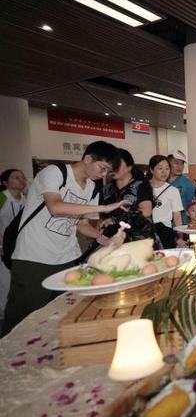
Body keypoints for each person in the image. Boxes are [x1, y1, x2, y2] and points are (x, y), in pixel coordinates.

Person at [2, 141, 127, 335]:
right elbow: (56, 207)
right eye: (102, 168)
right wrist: (103, 208)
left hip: (67, 257)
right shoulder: (55, 173)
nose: (103, 175)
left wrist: (103, 238)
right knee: (21, 318)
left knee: (60, 314)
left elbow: (82, 225)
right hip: (34, 257)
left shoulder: (92, 189)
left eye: (107, 172)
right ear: (87, 158)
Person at [98, 149, 154, 245]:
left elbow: (146, 211)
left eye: (118, 164)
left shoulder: (140, 185)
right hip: (112, 240)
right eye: (111, 164)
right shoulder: (106, 189)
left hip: (137, 239)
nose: (113, 167)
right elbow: (101, 216)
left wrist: (115, 220)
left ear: (129, 166)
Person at [0, 169, 27, 320]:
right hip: (3, 246)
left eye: (22, 176)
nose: (21, 179)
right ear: (5, 182)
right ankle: (4, 313)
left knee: (17, 278)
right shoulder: (2, 198)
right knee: (4, 279)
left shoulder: (27, 200)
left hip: (19, 247)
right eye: (16, 177)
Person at [148, 155, 186, 249]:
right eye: (160, 168)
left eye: (167, 168)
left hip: (166, 233)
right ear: (152, 170)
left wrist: (180, 237)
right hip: (146, 232)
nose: (164, 172)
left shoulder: (173, 191)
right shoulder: (142, 187)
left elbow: (177, 217)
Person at [167, 149, 194, 224]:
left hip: (182, 223)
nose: (179, 166)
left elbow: (191, 205)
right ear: (168, 163)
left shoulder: (187, 183)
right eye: (176, 163)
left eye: (182, 163)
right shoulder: (161, 181)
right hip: (163, 224)